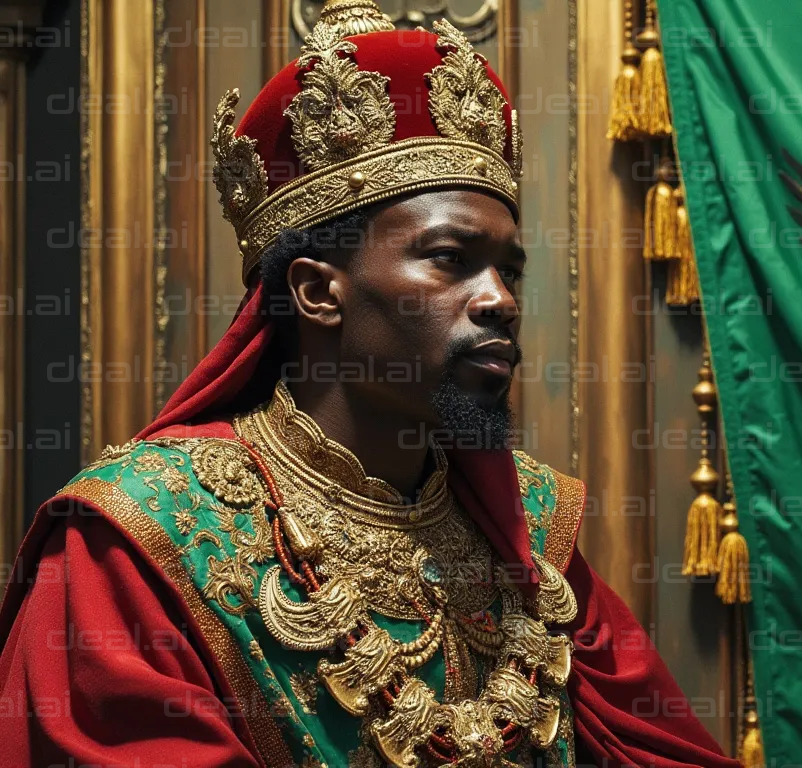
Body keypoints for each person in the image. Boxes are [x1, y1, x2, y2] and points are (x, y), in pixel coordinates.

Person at [0, 2, 738, 766]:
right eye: (452, 258)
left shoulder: (534, 529)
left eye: (510, 269)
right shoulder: (141, 538)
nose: (502, 300)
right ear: (320, 293)